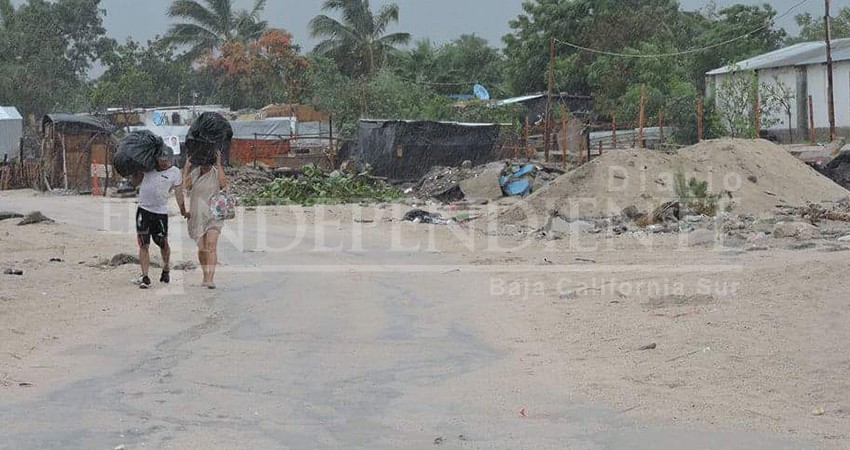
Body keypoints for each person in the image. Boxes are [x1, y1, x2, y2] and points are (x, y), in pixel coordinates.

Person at [133, 150, 188, 289]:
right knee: (143, 244)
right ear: (156, 158)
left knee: (162, 243)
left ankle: (166, 269)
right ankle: (145, 276)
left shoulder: (175, 172)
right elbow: (135, 182)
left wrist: (183, 210)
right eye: (161, 159)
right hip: (143, 211)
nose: (163, 162)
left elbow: (178, 193)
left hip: (160, 214)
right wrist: (137, 171)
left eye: (166, 159)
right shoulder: (147, 167)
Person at [183, 150, 228, 289]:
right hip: (197, 216)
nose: (205, 165)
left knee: (211, 245)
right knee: (202, 249)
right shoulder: (196, 173)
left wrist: (219, 163)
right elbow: (185, 186)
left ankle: (210, 278)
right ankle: (204, 274)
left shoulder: (215, 172)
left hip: (214, 215)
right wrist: (186, 167)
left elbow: (223, 184)